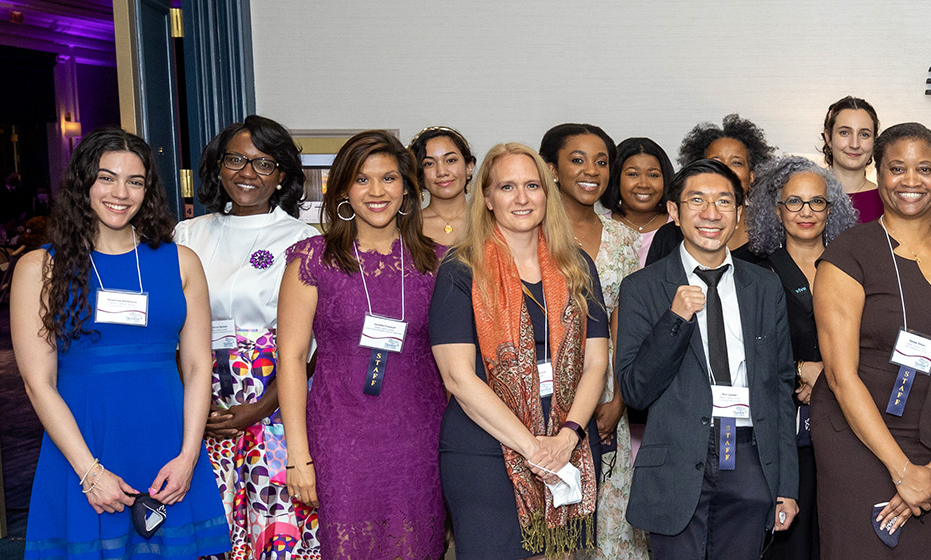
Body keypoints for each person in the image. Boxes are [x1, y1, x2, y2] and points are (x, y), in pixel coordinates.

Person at [15, 128, 231, 558]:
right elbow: (38, 382)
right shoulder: (39, 268)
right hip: (81, 447)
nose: (121, 193)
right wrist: (89, 472)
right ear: (84, 184)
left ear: (148, 190)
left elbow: (196, 367)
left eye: (135, 181)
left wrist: (189, 456)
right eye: (107, 178)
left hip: (168, 444)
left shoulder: (181, 261)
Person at [813, 122, 931, 559]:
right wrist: (901, 471)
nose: (911, 181)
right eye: (897, 168)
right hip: (857, 435)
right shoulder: (847, 254)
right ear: (879, 173)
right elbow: (840, 375)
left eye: (925, 169)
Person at [431, 142, 612, 559]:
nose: (522, 198)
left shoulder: (578, 266)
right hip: (485, 450)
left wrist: (566, 438)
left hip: (569, 443)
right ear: (488, 199)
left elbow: (595, 364)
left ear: (547, 194)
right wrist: (533, 449)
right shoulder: (461, 269)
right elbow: (458, 377)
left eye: (532, 185)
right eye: (507, 187)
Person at [615, 159, 801, 559]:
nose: (711, 214)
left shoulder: (764, 286)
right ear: (674, 212)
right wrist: (675, 320)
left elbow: (781, 386)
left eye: (724, 202)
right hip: (677, 461)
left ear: (739, 214)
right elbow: (634, 390)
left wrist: (786, 484)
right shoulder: (643, 288)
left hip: (750, 456)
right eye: (696, 200)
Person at [274, 131, 448, 558]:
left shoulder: (440, 262)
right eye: (362, 179)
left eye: (388, 178)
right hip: (342, 439)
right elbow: (292, 359)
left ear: (407, 188)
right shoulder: (313, 259)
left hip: (422, 440)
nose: (377, 191)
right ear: (344, 190)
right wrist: (298, 456)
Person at [171, 115, 322, 558]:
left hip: (274, 404)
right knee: (208, 528)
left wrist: (256, 409)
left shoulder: (300, 238)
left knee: (276, 531)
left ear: (282, 177)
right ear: (218, 166)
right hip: (201, 403)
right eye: (235, 159)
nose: (247, 173)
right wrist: (198, 405)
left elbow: (308, 348)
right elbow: (173, 329)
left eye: (263, 163)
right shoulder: (189, 234)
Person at [540, 123, 652, 560]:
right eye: (578, 159)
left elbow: (627, 323)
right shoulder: (531, 231)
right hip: (544, 395)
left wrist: (621, 396)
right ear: (551, 169)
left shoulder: (625, 236)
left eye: (602, 161)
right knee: (554, 526)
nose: (592, 171)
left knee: (611, 521)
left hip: (607, 394)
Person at [747, 156, 860, 560]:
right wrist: (798, 369)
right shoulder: (750, 267)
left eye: (817, 202)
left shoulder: (857, 264)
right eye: (794, 202)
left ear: (833, 209)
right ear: (776, 209)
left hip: (848, 423)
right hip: (780, 428)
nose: (806, 212)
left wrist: (828, 375)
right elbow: (741, 349)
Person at [646, 114, 779, 263]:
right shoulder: (669, 235)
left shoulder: (772, 231)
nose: (725, 170)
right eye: (715, 162)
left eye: (736, 163)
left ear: (752, 176)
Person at [603, 138, 675, 266]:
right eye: (633, 174)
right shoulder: (599, 228)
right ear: (616, 177)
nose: (644, 184)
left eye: (653, 175)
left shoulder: (682, 226)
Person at [410, 125, 477, 246]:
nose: (442, 172)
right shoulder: (407, 226)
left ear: (469, 167)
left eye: (450, 160)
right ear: (419, 173)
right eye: (429, 163)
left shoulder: (489, 223)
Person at [822, 96, 883, 222]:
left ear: (874, 141)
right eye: (844, 133)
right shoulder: (808, 197)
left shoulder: (887, 201)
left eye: (864, 135)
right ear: (828, 138)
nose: (854, 144)